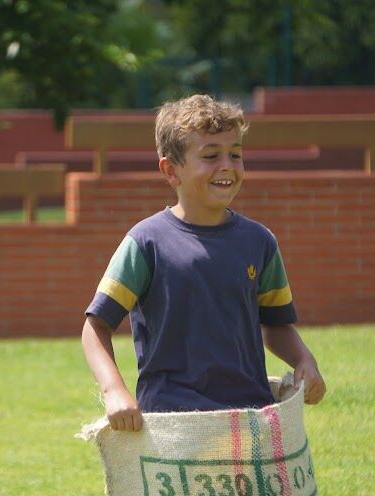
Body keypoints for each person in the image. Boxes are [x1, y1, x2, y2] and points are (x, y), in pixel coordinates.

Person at [81, 94, 325, 432]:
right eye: (211, 156)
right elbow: (95, 326)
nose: (227, 165)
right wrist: (113, 391)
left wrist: (304, 360)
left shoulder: (260, 242)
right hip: (171, 425)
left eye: (235, 154)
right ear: (171, 170)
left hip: (249, 419)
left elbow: (276, 324)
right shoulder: (145, 243)